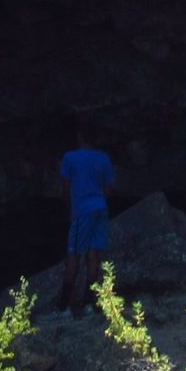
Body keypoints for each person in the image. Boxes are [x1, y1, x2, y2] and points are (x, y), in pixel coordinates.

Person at [57, 132, 117, 316]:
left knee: (73, 255)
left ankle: (64, 307)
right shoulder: (104, 158)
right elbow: (110, 189)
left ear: (80, 137)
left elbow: (66, 188)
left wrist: (69, 211)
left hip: (81, 211)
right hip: (100, 208)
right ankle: (90, 304)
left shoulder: (70, 157)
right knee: (93, 255)